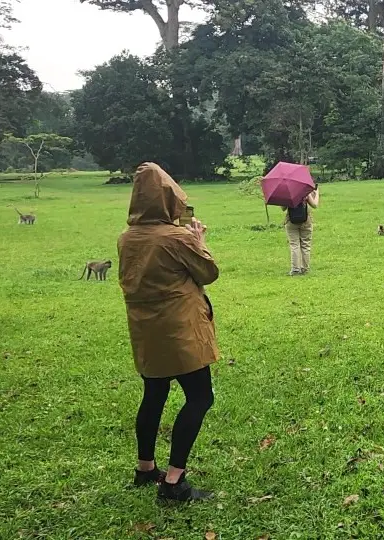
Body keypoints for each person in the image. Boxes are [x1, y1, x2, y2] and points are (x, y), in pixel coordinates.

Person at [118, 162, 220, 503]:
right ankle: (174, 481)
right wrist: (199, 240)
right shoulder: (175, 238)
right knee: (200, 397)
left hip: (146, 330)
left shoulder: (126, 238)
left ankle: (145, 467)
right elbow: (207, 272)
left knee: (154, 394)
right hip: (180, 330)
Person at [285, 189, 319, 276]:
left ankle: (295, 269)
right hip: (306, 220)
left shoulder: (287, 192)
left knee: (294, 245)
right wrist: (317, 192)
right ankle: (305, 268)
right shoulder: (305, 191)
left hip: (291, 221)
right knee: (306, 245)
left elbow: (283, 208)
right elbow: (314, 205)